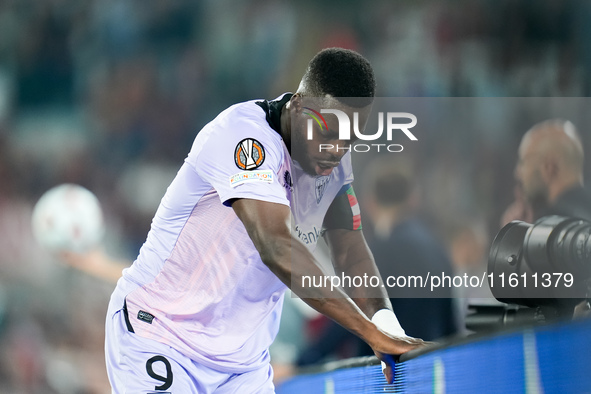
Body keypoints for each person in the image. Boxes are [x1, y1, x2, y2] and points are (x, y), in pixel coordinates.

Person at [105, 48, 428, 393]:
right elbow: (275, 244)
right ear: (300, 105)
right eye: (329, 132)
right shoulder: (243, 136)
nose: (336, 149)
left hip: (242, 365)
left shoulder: (329, 163)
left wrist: (387, 326)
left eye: (350, 139)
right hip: (160, 334)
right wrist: (368, 333)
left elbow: (351, 253)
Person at [503, 118, 591, 317]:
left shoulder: (548, 231)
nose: (518, 172)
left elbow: (522, 318)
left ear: (548, 167)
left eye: (523, 162)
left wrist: (511, 247)